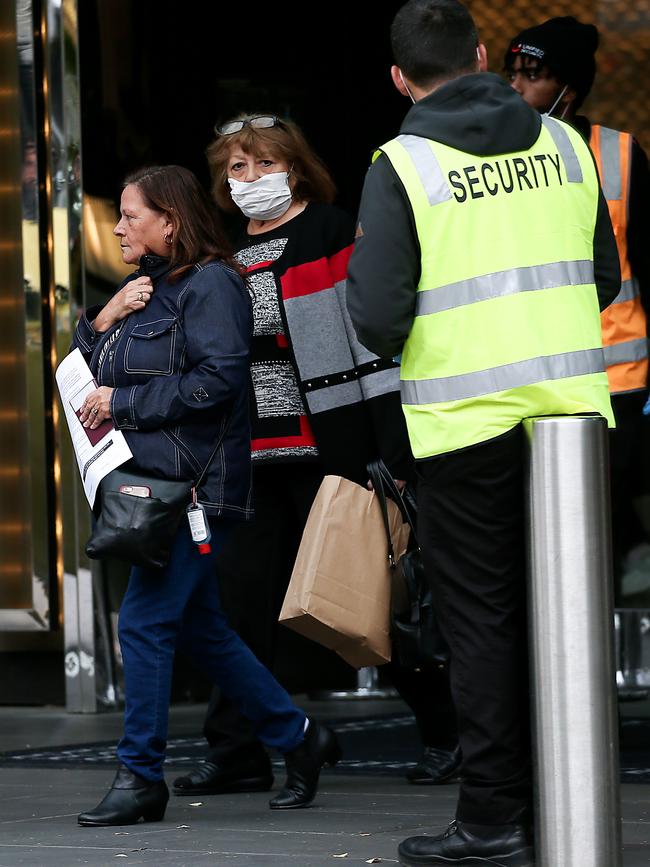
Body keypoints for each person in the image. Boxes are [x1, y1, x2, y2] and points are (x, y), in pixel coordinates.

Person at [346, 1, 621, 864]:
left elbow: (378, 319)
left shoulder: (403, 164)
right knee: (566, 611)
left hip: (465, 427)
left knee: (483, 624)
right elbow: (605, 279)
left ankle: (495, 818)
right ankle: (569, 797)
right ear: (478, 54)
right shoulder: (566, 144)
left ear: (399, 77)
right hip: (571, 418)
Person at [171, 114, 461, 800]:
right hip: (252, 457)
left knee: (360, 597)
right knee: (239, 604)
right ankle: (238, 749)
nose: (249, 180)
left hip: (333, 448)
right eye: (236, 169)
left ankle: (447, 730)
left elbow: (374, 338)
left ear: (293, 168)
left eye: (262, 164)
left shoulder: (331, 230)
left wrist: (386, 447)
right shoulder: (226, 256)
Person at [72, 165, 341, 826]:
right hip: (156, 482)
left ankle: (140, 775)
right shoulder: (147, 289)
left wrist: (124, 401)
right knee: (202, 629)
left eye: (130, 214)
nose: (117, 226)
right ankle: (300, 737)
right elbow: (84, 376)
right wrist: (104, 315)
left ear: (169, 219)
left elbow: (219, 381)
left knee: (141, 622)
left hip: (192, 488)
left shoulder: (215, 284)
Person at [504, 16, 650, 602]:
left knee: (605, 515)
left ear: (570, 87)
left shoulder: (617, 152)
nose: (516, 87)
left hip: (616, 374)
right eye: (510, 72)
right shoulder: (495, 155)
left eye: (533, 75)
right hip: (533, 375)